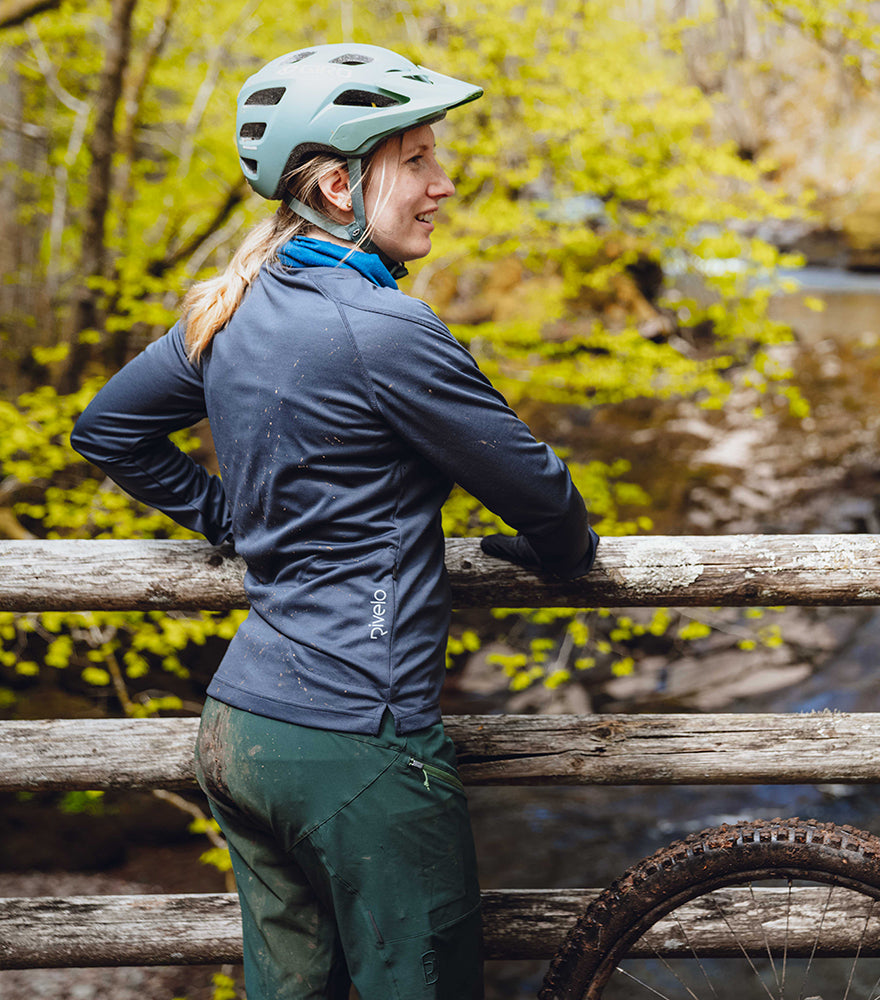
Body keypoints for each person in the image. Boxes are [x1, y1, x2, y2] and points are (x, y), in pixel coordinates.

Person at [71, 43, 598, 1000]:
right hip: (361, 738)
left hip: (242, 735)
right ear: (338, 187)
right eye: (417, 162)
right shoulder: (385, 328)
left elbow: (108, 430)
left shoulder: (236, 307)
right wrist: (556, 555)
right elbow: (550, 504)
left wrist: (231, 517)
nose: (445, 183)